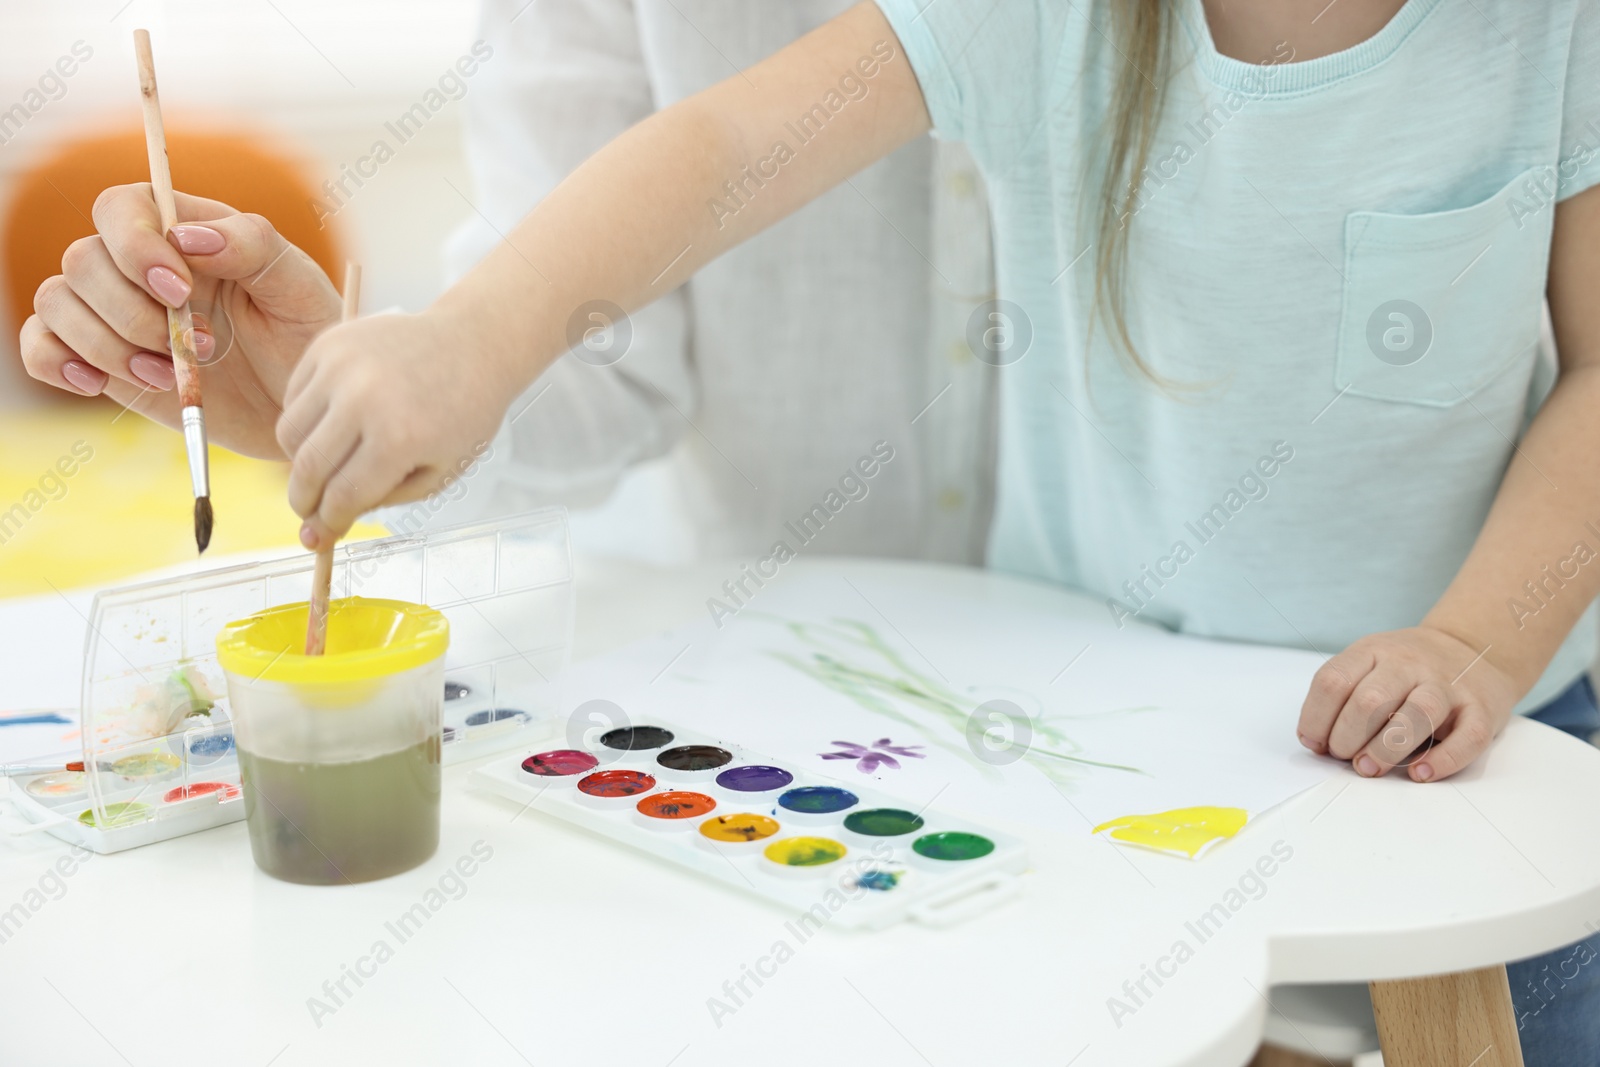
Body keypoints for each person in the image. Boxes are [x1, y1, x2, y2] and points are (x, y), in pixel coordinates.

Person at [20, 2, 1600, 1057]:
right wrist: (465, 344)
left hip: (1490, 720)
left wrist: (1475, 639)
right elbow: (716, 148)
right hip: (1090, 720)